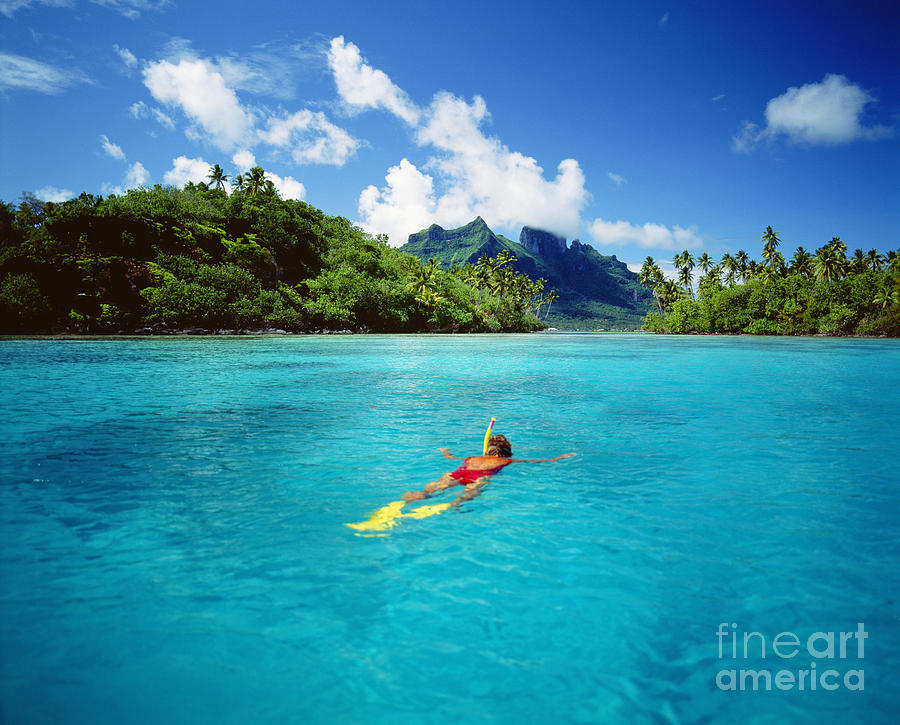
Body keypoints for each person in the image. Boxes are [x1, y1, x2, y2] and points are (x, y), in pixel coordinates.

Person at [402, 434, 575, 508]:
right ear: (505, 451)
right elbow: (539, 461)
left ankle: (413, 497)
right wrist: (560, 457)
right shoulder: (506, 460)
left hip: (459, 472)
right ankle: (453, 505)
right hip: (479, 477)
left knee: (435, 487)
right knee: (465, 496)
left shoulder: (470, 458)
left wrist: (444, 451)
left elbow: (451, 458)